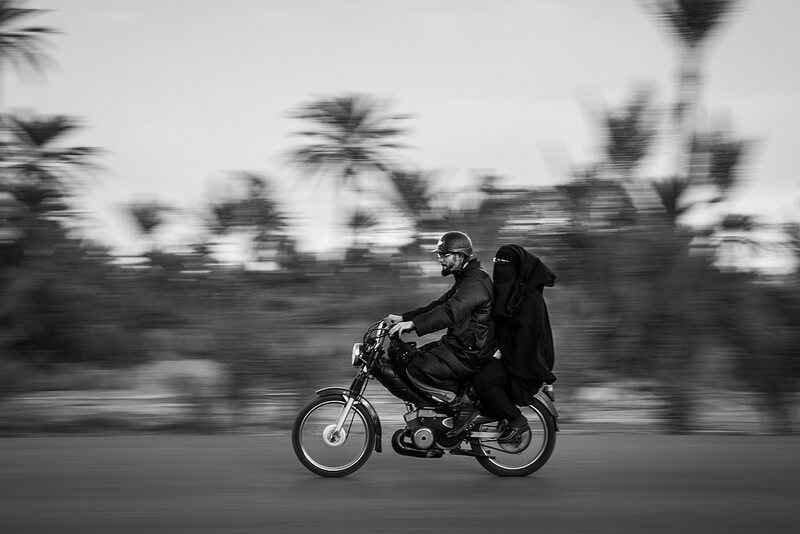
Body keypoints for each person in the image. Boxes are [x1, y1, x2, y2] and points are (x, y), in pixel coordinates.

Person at [383, 231, 495, 395]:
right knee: (411, 357)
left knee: (417, 369)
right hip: (459, 345)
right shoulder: (466, 278)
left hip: (469, 353)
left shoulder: (475, 283)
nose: (440, 259)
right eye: (439, 255)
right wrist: (403, 318)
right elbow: (439, 305)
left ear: (460, 255)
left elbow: (449, 312)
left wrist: (413, 324)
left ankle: (459, 403)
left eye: (444, 255)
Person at [472, 244, 557, 442]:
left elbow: (528, 339)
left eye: (505, 264)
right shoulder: (510, 294)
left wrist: (501, 352)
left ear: (517, 267)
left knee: (483, 379)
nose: (500, 268)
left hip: (527, 364)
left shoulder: (529, 299)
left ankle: (515, 420)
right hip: (513, 356)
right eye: (497, 263)